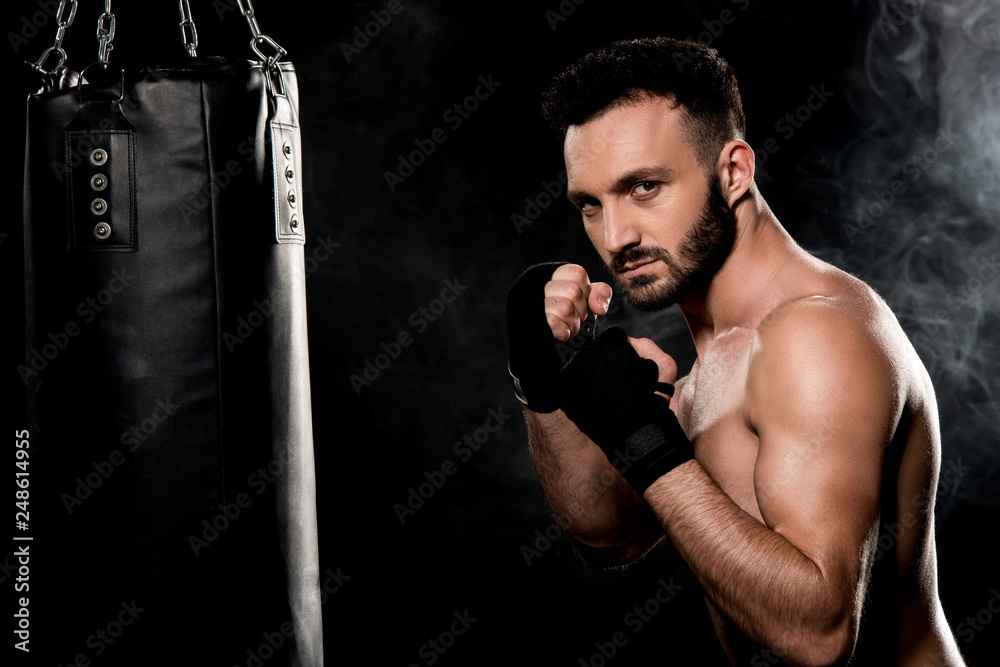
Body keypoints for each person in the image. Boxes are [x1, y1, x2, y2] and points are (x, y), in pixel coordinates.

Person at [506, 37, 966, 666]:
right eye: (591, 204)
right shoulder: (713, 359)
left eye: (643, 187)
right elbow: (606, 538)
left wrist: (645, 443)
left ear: (733, 172)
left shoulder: (814, 336)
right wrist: (541, 376)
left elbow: (821, 635)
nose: (615, 238)